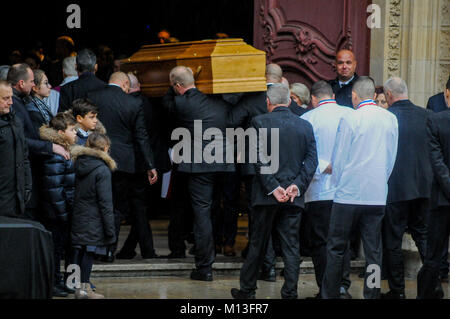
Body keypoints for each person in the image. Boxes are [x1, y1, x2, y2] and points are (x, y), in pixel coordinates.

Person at [230, 83, 318, 299]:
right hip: (292, 196)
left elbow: (258, 159)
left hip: (266, 196)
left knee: (258, 243)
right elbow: (311, 160)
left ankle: (248, 290)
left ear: (268, 102)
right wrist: (296, 185)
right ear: (289, 101)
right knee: (291, 246)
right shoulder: (304, 125)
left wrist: (273, 187)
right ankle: (290, 292)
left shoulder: (259, 122)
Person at [321, 76, 398, 299]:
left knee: (336, 247)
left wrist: (337, 185)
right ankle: (371, 293)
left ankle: (330, 293)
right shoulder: (390, 119)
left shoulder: (350, 118)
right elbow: (391, 156)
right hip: (375, 195)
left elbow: (340, 156)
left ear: (354, 96)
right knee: (374, 251)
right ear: (374, 95)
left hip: (348, 194)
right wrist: (381, 180)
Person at [162, 66, 234, 281]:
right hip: (224, 161)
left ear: (177, 86)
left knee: (201, 212)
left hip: (199, 164)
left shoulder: (181, 102)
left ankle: (205, 267)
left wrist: (182, 81)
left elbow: (165, 101)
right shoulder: (220, 100)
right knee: (217, 206)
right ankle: (222, 245)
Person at [87, 72, 158, 262]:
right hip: (126, 163)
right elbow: (141, 136)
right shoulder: (134, 103)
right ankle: (110, 250)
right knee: (118, 207)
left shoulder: (93, 98)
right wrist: (150, 165)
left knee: (99, 205)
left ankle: (98, 250)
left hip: (98, 158)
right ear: (125, 84)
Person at [300, 81, 354, 299]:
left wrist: (323, 165)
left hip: (318, 189)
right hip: (346, 189)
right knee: (343, 240)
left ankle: (325, 288)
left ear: (313, 99)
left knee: (321, 242)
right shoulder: (350, 114)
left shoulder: (307, 119)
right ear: (332, 94)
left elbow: (303, 155)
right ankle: (342, 285)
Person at [380, 77, 432, 299]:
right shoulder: (428, 116)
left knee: (392, 241)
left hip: (396, 188)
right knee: (424, 237)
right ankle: (433, 287)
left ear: (389, 95)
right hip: (423, 188)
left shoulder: (387, 117)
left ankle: (397, 291)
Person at [8, 63, 69, 221]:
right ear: (21, 83)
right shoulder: (16, 104)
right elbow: (20, 139)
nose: (33, 84)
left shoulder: (21, 101)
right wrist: (50, 146)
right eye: (31, 82)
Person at [70, 133, 117, 299]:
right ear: (105, 148)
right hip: (93, 219)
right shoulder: (102, 170)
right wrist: (110, 230)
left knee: (77, 251)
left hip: (78, 214)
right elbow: (105, 203)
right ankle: (84, 289)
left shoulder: (79, 163)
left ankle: (74, 287)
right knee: (88, 252)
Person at [417, 77, 450, 299]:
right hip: (440, 199)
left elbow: (436, 162)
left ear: (447, 94)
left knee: (433, 256)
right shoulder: (437, 121)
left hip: (441, 199)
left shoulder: (435, 121)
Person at [39, 112, 77, 297]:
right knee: (54, 249)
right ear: (61, 132)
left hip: (62, 209)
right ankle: (53, 283)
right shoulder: (56, 155)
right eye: (72, 130)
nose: (76, 133)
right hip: (55, 213)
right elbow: (54, 188)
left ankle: (58, 281)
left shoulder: (64, 149)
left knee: (59, 248)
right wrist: (63, 214)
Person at [0, 80, 32, 218]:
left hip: (16, 197)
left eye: (11, 97)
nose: (11, 102)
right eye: (5, 98)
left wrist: (27, 186)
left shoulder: (15, 120)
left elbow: (24, 157)